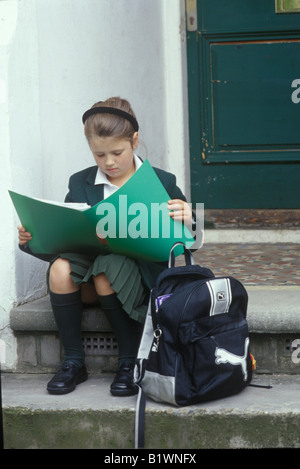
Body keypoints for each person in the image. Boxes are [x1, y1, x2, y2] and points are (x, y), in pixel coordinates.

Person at [18, 97, 194, 396]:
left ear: (134, 141)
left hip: (135, 274)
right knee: (60, 268)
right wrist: (32, 238)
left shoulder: (160, 182)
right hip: (89, 270)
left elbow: (182, 244)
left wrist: (188, 219)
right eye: (99, 154)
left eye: (117, 152)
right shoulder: (80, 182)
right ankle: (73, 360)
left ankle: (128, 362)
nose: (109, 162)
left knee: (107, 271)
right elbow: (66, 235)